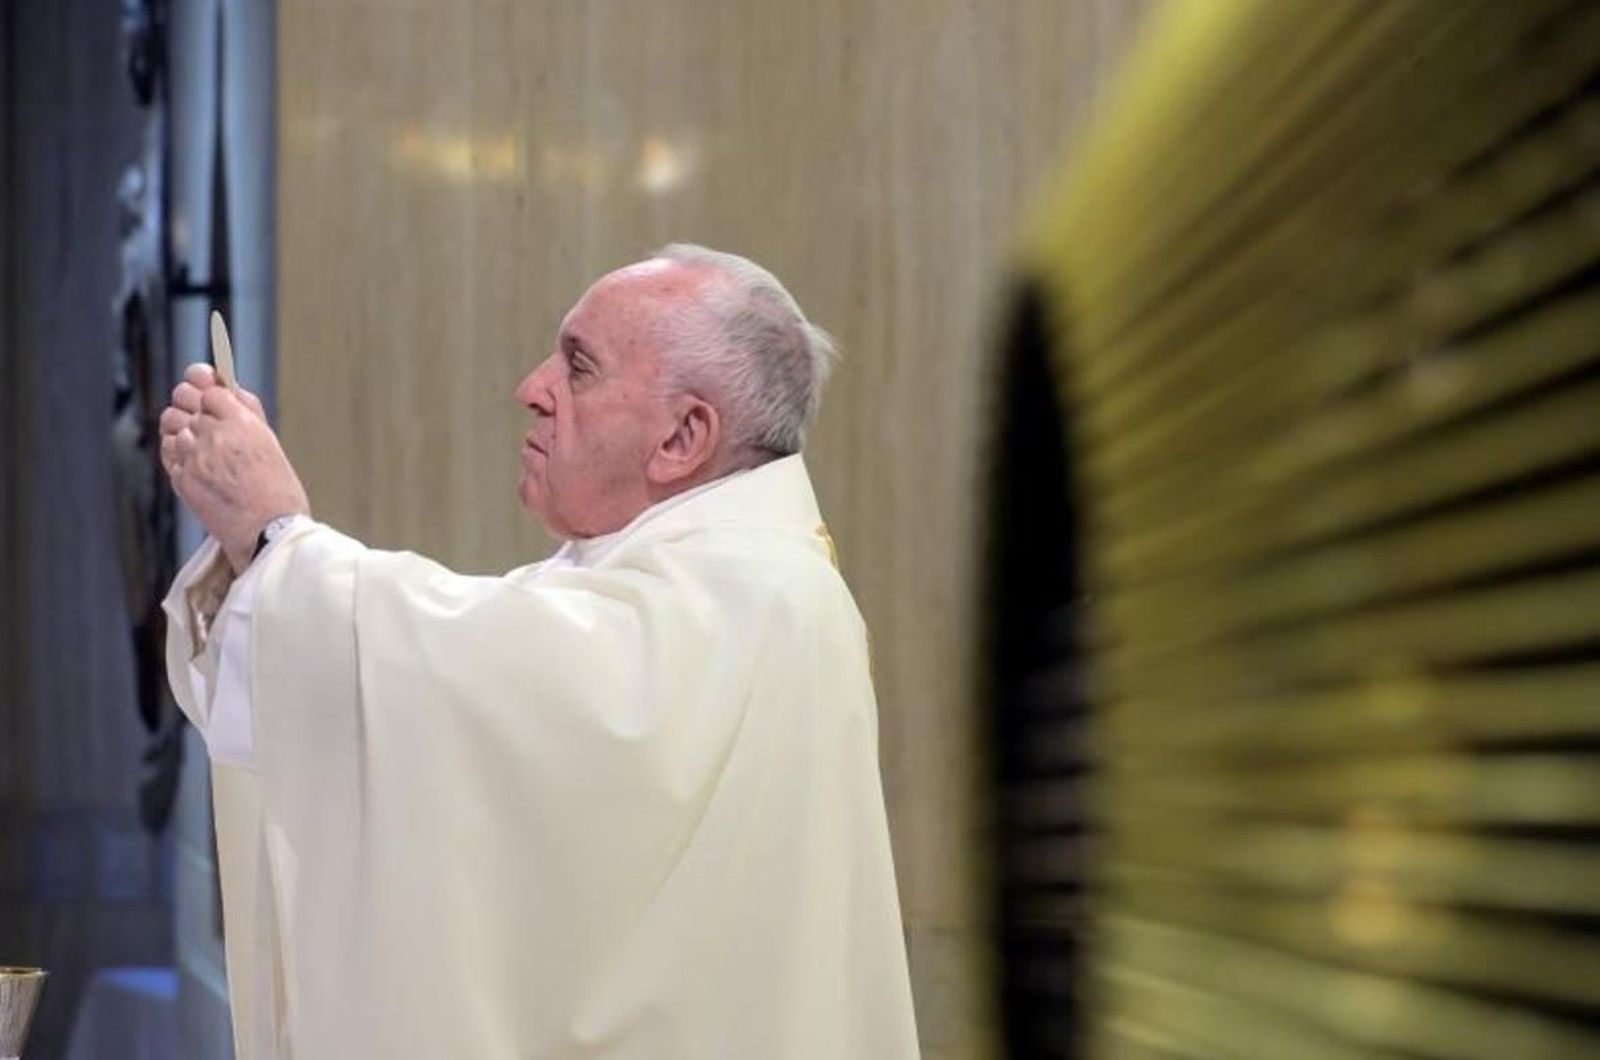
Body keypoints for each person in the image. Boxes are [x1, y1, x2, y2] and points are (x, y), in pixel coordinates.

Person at [158, 244, 921, 1059]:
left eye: (578, 367)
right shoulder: (697, 580)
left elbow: (473, 676)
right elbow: (498, 682)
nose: (531, 388)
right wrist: (269, 560)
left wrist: (276, 540)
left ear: (684, 436)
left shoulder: (750, 594)